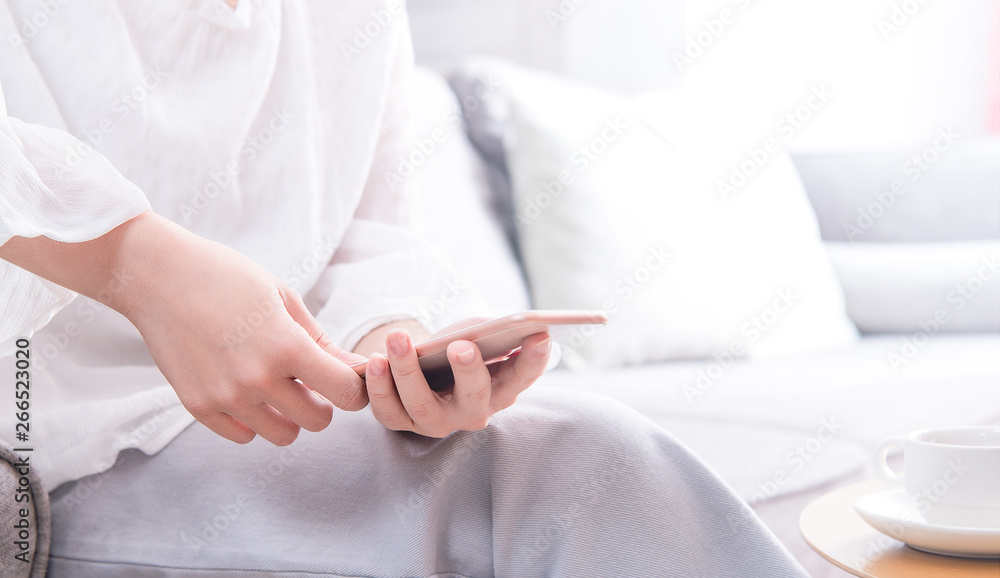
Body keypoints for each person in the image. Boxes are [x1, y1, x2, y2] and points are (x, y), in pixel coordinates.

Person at [0, 1, 808, 575]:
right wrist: (134, 265)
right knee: (580, 471)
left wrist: (395, 348)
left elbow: (369, 238)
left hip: (291, 429)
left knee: (561, 456)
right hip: (51, 446)